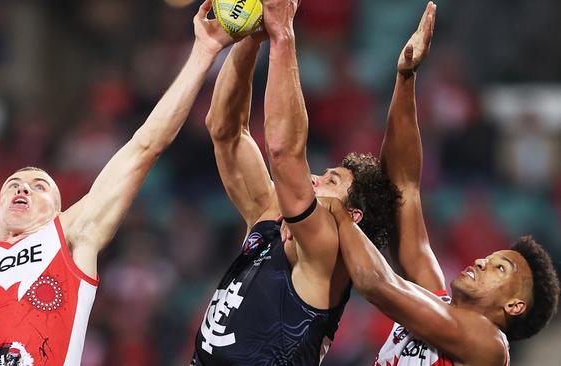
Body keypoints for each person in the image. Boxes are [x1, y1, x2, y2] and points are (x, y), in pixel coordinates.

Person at [0, 2, 235, 365]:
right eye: (14, 184)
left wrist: (203, 53)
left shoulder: (67, 235)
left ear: (59, 211)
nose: (23, 188)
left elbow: (144, 147)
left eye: (40, 187)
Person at [325, 2, 560, 365]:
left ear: (514, 305)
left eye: (500, 268)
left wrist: (336, 210)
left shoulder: (490, 346)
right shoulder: (433, 300)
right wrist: (406, 77)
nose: (481, 261)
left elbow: (375, 283)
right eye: (491, 258)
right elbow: (404, 186)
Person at [191, 0, 400, 364]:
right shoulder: (271, 216)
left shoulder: (327, 252)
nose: (315, 178)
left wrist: (281, 33)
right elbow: (226, 130)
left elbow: (284, 153)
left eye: (331, 181)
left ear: (352, 216)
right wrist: (249, 37)